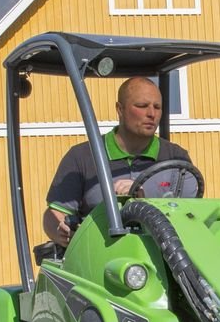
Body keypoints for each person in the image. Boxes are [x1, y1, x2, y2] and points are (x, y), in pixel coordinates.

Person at [42, 76, 194, 248]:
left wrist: (144, 200)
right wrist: (60, 230)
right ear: (120, 109)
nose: (151, 114)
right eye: (142, 106)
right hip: (98, 256)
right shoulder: (82, 157)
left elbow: (191, 215)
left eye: (157, 107)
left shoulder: (177, 159)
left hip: (163, 256)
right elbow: (55, 214)